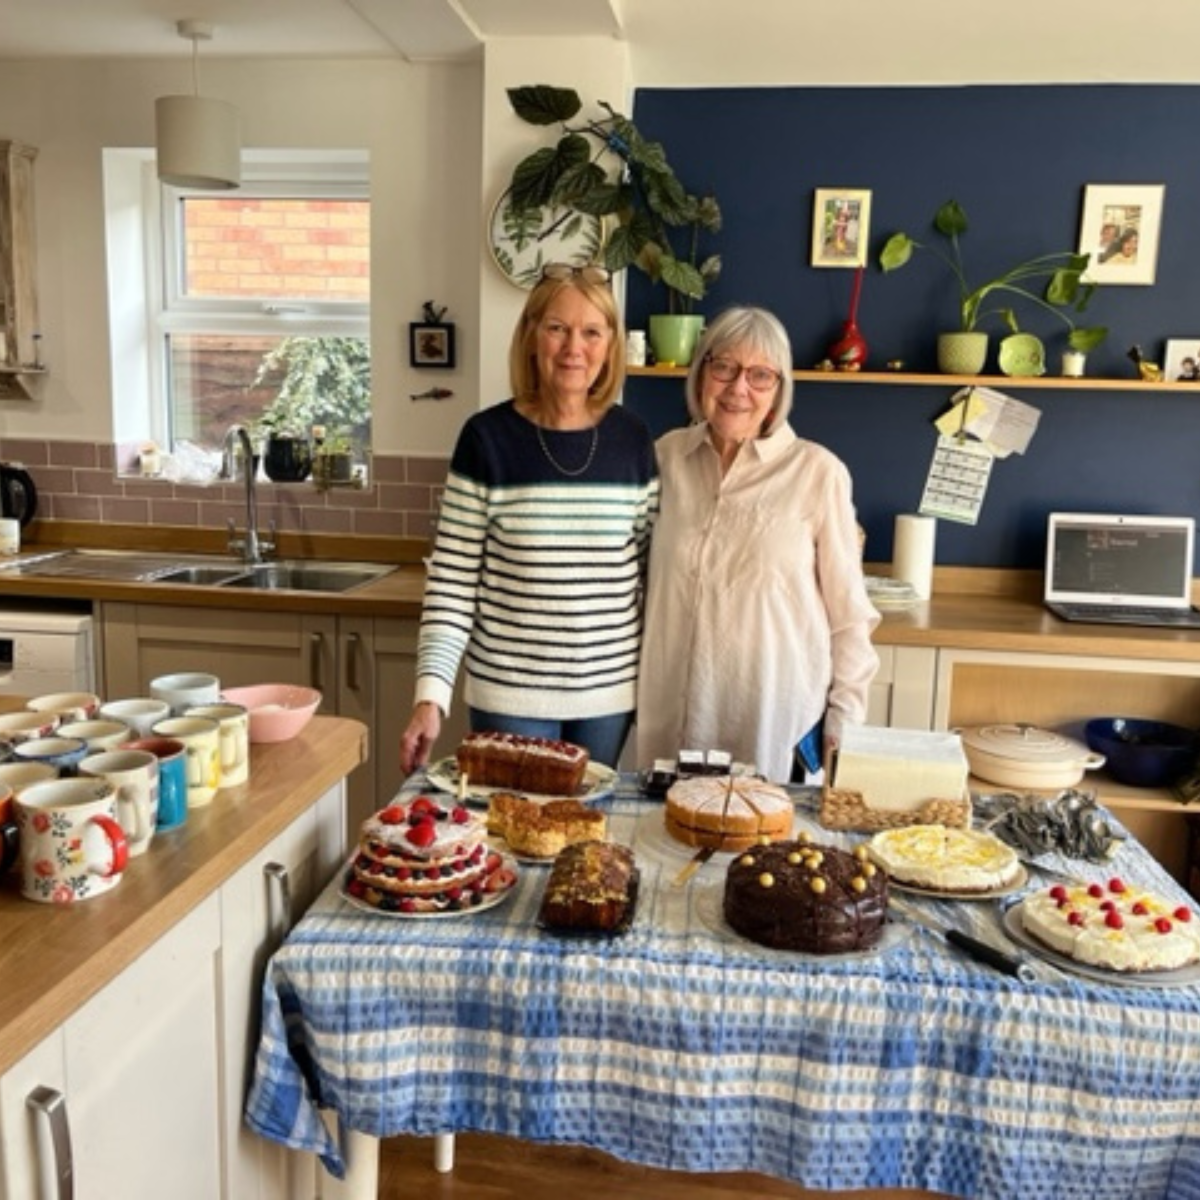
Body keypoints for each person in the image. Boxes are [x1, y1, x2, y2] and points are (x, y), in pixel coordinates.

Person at [399, 264, 659, 775]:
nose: (573, 348)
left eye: (591, 331)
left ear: (610, 346)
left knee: (587, 841)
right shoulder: (486, 439)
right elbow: (451, 582)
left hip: (608, 697)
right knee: (512, 839)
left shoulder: (633, 441)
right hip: (509, 695)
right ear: (531, 337)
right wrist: (430, 697)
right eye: (557, 328)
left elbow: (650, 576)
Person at [635, 306, 880, 783]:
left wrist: (844, 722)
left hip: (772, 722)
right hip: (673, 725)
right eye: (723, 366)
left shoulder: (817, 472)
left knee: (768, 853)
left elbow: (850, 617)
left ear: (780, 389)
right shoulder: (664, 458)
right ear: (701, 372)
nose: (738, 389)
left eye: (760, 375)